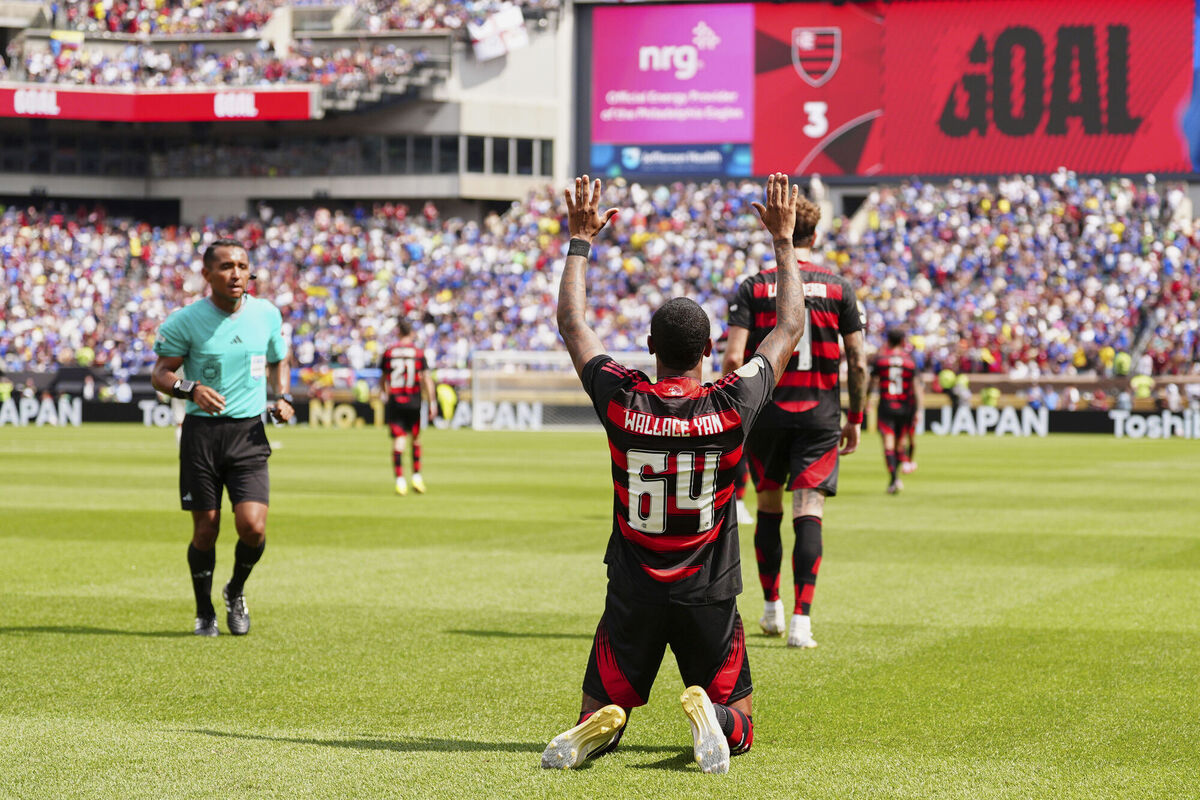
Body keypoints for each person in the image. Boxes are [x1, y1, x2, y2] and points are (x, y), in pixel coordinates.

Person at [541, 174, 808, 774]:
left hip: (633, 589)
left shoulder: (622, 401)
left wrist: (580, 242)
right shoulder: (731, 406)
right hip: (708, 591)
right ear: (710, 349)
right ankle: (710, 716)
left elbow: (574, 326)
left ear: (647, 344)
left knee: (600, 713)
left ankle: (596, 728)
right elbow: (788, 328)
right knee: (740, 728)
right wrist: (784, 242)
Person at [722, 190, 867, 649]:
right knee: (809, 511)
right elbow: (859, 361)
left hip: (766, 412)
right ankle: (802, 621)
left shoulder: (754, 286)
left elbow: (731, 355)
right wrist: (856, 416)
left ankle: (771, 608)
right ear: (816, 233)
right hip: (821, 414)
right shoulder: (840, 287)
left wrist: (736, 409)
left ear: (776, 228)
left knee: (767, 507)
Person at [150, 238, 293, 638]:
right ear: (207, 274)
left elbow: (279, 358)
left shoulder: (266, 314)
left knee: (253, 527)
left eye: (242, 266)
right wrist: (190, 388)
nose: (236, 273)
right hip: (202, 435)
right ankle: (203, 611)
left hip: (248, 432)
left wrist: (282, 396)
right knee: (206, 529)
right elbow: (160, 373)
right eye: (227, 266)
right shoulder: (185, 320)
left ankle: (234, 590)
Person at [378, 318, 435, 495]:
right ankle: (417, 477)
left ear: (398, 332)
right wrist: (432, 401)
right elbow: (426, 378)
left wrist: (384, 393)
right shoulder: (418, 353)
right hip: (414, 400)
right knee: (416, 439)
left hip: (396, 400)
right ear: (411, 333)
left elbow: (383, 378)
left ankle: (400, 480)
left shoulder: (389, 352)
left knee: (399, 441)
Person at [869, 328, 923, 494]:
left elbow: (871, 383)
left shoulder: (881, 360)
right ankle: (896, 477)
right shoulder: (909, 361)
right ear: (902, 341)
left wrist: (866, 400)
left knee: (888, 444)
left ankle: (893, 479)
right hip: (905, 408)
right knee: (901, 444)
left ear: (888, 341)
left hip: (886, 406)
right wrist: (919, 410)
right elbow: (917, 387)